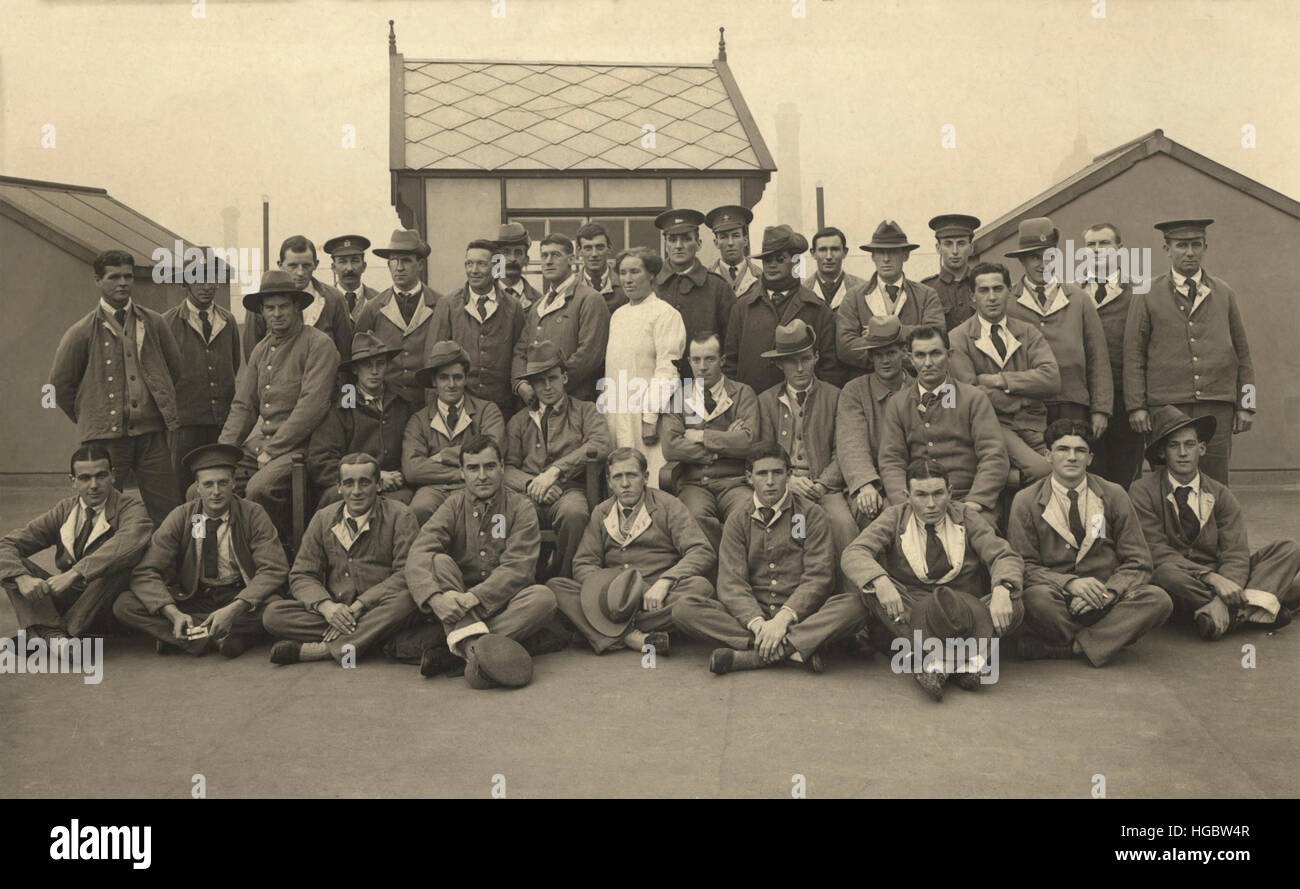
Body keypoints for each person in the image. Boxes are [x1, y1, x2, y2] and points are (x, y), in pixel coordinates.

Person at [674, 442, 865, 674]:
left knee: (856, 606)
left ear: (789, 474)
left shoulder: (810, 514)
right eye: (762, 474)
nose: (770, 481)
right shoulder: (737, 519)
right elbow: (731, 582)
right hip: (755, 615)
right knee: (684, 608)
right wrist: (758, 623)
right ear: (749, 477)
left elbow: (818, 577)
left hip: (800, 614)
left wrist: (784, 618)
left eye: (777, 472)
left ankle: (754, 657)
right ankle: (792, 648)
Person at [842, 458, 1023, 700]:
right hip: (914, 609)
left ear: (950, 492)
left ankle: (934, 663)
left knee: (1015, 601)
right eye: (921, 495)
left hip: (962, 610)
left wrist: (1002, 589)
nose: (930, 504)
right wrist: (880, 580)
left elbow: (1003, 554)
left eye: (938, 494)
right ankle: (967, 661)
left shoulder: (966, 516)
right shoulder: (894, 517)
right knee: (872, 589)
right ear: (907, 495)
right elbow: (855, 552)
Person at [395, 434, 560, 687]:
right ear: (462, 472)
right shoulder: (452, 505)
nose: (482, 476)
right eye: (473, 468)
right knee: (438, 562)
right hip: (455, 596)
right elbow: (419, 552)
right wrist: (434, 599)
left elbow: (518, 568)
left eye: (489, 466)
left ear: (502, 468)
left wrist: (473, 599)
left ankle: (454, 649)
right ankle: (481, 655)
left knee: (543, 599)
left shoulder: (521, 507)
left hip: (501, 601)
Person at [1008, 419, 1173, 666]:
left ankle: (1071, 647)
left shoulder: (1114, 494)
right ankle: (1108, 639)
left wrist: (1109, 592)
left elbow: (1139, 561)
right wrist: (1070, 584)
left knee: (1158, 599)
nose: (1072, 457)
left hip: (1107, 599)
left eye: (1080, 450)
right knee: (1035, 599)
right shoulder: (1026, 501)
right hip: (1059, 601)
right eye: (1063, 449)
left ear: (1090, 458)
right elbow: (1024, 566)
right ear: (1048, 456)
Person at [1130, 406, 1299, 639]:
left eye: (1189, 445)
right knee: (1165, 573)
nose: (1182, 453)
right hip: (1183, 582)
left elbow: (1235, 553)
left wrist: (1223, 591)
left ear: (1202, 448)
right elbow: (1155, 551)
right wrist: (1210, 578)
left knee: (1288, 548)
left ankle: (1222, 613)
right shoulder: (1142, 491)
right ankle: (1255, 606)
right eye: (1173, 446)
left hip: (1223, 577)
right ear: (1161, 453)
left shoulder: (1220, 494)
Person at [113, 443, 289, 658]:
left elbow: (274, 569)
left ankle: (185, 638)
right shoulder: (183, 516)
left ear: (234, 483)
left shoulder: (252, 514)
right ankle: (222, 638)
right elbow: (145, 571)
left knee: (275, 610)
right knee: (125, 605)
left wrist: (234, 609)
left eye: (223, 483)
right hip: (194, 597)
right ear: (197, 487)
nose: (216, 492)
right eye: (208, 484)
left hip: (240, 595)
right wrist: (173, 613)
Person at [48, 249, 183, 527]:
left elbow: (175, 370)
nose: (123, 283)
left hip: (152, 435)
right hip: (106, 440)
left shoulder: (154, 322)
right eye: (114, 277)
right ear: (98, 280)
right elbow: (61, 386)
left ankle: (169, 567)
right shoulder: (81, 331)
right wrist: (94, 415)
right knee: (102, 511)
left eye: (128, 276)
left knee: (168, 510)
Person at [1124, 218, 1255, 485]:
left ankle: (1212, 528)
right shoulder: (1146, 291)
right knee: (1166, 480)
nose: (1190, 252)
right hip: (1167, 405)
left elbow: (1243, 352)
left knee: (1215, 481)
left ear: (1205, 247)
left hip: (1216, 405)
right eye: (1181, 245)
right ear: (1166, 249)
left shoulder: (1224, 292)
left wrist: (1247, 404)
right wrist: (1136, 406)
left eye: (1196, 244)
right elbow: (1133, 354)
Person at [549, 448, 715, 655]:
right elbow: (584, 562)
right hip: (611, 598)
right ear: (609, 482)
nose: (625, 484)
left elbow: (701, 550)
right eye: (618, 477)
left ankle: (606, 632)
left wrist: (665, 582)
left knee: (700, 588)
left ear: (645, 477)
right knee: (556, 587)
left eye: (632, 475)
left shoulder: (668, 505)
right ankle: (633, 637)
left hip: (655, 597)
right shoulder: (602, 512)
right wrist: (607, 590)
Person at [263, 453, 421, 665]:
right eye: (349, 483)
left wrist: (361, 605)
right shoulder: (323, 518)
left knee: (408, 601)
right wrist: (327, 607)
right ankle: (371, 639)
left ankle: (327, 650)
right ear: (339, 487)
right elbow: (302, 574)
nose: (356, 492)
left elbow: (406, 574)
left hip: (379, 607)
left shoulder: (401, 516)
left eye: (364, 483)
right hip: (338, 612)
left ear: (379, 485)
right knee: (273, 615)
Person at [219, 270, 340, 535]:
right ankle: (227, 557)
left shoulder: (319, 344)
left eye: (284, 306)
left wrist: (273, 450)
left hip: (302, 447)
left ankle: (275, 558)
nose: (277, 314)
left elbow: (312, 406)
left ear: (297, 306)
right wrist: (221, 456)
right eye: (270, 308)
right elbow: (243, 406)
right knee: (207, 486)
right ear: (261, 311)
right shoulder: (262, 349)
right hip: (263, 448)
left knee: (259, 489)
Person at [0, 446, 153, 640]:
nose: (94, 485)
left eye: (101, 476)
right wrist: (22, 578)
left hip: (105, 606)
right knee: (13, 567)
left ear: (113, 476)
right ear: (73, 481)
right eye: (85, 478)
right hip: (68, 598)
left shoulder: (131, 508)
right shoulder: (64, 509)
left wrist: (75, 573)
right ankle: (55, 636)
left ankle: (49, 632)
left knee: (119, 565)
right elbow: (6, 545)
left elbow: (129, 542)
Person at [505, 341, 613, 579]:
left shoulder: (585, 411)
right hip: (528, 493)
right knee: (515, 513)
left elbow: (601, 443)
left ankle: (564, 579)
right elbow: (507, 468)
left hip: (568, 491)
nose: (546, 386)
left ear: (564, 378)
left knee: (574, 513)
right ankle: (525, 581)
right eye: (539, 381)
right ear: (531, 385)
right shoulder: (519, 421)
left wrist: (554, 472)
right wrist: (533, 484)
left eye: (552, 378)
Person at [876, 325, 1008, 515]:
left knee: (979, 538)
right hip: (916, 503)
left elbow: (993, 455)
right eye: (920, 355)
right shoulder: (898, 404)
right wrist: (906, 502)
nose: (928, 363)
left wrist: (976, 501)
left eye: (935, 354)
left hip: (966, 500)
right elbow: (891, 461)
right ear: (911, 359)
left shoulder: (972, 398)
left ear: (949, 355)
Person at [755, 320, 859, 559]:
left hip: (824, 488)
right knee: (791, 532)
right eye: (791, 361)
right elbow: (762, 453)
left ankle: (852, 592)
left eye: (805, 359)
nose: (800, 368)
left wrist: (822, 484)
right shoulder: (765, 401)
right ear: (780, 364)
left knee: (844, 525)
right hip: (780, 487)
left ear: (816, 357)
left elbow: (842, 451)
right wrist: (787, 481)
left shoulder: (836, 397)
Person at [948, 262, 1058, 484]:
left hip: (1034, 423)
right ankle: (1011, 479)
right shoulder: (958, 338)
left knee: (1065, 470)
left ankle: (1011, 480)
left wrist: (1000, 380)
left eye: (998, 289)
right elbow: (970, 394)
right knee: (1043, 471)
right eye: (983, 290)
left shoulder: (1027, 332)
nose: (992, 297)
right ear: (972, 297)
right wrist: (1024, 398)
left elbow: (1052, 379)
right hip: (992, 425)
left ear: (1009, 292)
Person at [1005, 217, 1112, 435]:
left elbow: (1098, 357)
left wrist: (1100, 409)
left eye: (1049, 256)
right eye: (1035, 257)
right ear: (1022, 261)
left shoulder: (1079, 299)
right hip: (1026, 406)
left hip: (1073, 404)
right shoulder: (1008, 302)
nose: (1043, 264)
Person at [660, 330, 759, 551]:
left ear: (722, 360)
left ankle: (736, 573)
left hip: (734, 481)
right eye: (696, 360)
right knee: (694, 517)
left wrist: (700, 436)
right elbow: (670, 446)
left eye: (710, 359)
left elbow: (748, 442)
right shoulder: (679, 397)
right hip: (696, 483)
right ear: (689, 361)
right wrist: (722, 446)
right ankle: (714, 573)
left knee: (747, 512)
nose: (702, 366)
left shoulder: (742, 394)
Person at [600, 247, 686, 488]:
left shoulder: (665, 314)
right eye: (623, 272)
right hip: (619, 412)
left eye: (635, 271)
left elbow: (668, 369)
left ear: (651, 275)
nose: (627, 279)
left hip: (648, 416)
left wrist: (650, 417)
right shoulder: (617, 315)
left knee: (649, 481)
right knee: (621, 480)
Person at [724, 225, 843, 392]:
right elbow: (730, 364)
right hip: (754, 405)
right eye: (767, 260)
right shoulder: (742, 308)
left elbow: (830, 369)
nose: (772, 265)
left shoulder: (817, 309)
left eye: (780, 259)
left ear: (795, 261)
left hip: (803, 407)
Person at [162, 252, 241, 495]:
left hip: (221, 423)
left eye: (212, 279)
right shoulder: (167, 323)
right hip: (185, 424)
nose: (207, 286)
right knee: (182, 486)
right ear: (185, 282)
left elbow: (234, 363)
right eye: (199, 278)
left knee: (218, 486)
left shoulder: (228, 321)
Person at [402, 341, 505, 524]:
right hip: (434, 488)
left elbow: (492, 449)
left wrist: (442, 456)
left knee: (488, 510)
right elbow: (412, 469)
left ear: (466, 379)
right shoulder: (419, 420)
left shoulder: (487, 411)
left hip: (477, 485)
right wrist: (462, 472)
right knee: (419, 509)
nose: (451, 384)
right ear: (434, 381)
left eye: (457, 377)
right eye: (444, 377)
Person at [307, 331, 412, 510]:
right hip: (351, 488)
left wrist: (399, 476)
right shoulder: (341, 407)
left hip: (394, 488)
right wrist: (373, 478)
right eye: (367, 365)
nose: (374, 371)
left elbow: (413, 450)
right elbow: (320, 462)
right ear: (355, 369)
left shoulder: (401, 403)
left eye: (380, 364)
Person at [428, 239, 524, 422]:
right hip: (459, 408)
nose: (473, 270)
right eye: (469, 263)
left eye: (481, 264)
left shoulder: (513, 307)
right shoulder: (448, 305)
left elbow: (519, 355)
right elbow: (433, 361)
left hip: (502, 408)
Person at [1080, 222, 1144, 487]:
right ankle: (1097, 529)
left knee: (1125, 476)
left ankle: (1123, 528)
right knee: (1090, 474)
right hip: (1085, 398)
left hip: (1125, 398)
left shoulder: (1139, 291)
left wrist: (1138, 402)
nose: (1097, 250)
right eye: (1091, 245)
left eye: (1104, 243)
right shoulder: (1072, 293)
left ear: (1120, 249)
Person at [511, 234, 610, 403]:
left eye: (556, 255)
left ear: (571, 259)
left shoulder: (590, 299)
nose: (548, 261)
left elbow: (589, 355)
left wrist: (550, 387)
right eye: (544, 255)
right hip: (536, 402)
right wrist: (520, 384)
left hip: (574, 401)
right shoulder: (538, 305)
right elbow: (521, 350)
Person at [836, 219, 945, 372]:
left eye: (893, 252)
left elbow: (936, 337)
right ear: (873, 256)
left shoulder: (926, 294)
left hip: (914, 382)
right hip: (869, 384)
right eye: (880, 252)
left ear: (905, 255)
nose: (886, 259)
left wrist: (894, 331)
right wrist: (899, 354)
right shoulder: (854, 297)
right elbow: (845, 347)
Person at [353, 229, 444, 411]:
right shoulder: (373, 307)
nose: (399, 267)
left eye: (406, 261)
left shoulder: (440, 304)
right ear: (388, 265)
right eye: (394, 261)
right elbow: (358, 357)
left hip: (428, 403)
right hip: (388, 405)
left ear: (420, 265)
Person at [835, 316, 909, 526]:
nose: (885, 361)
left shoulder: (917, 388)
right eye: (878, 355)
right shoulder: (855, 390)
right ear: (870, 357)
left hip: (912, 481)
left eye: (891, 353)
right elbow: (851, 443)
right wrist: (865, 484)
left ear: (904, 352)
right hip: (874, 480)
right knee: (869, 510)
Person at [245, 235, 354, 364]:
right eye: (293, 266)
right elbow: (252, 356)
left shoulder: (333, 298)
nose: (300, 272)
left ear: (316, 264)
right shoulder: (262, 300)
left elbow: (345, 353)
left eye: (306, 265)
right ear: (280, 265)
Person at [652, 208, 734, 377]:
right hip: (658, 383)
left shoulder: (717, 287)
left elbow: (732, 343)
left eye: (686, 239)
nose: (679, 246)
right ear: (665, 244)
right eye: (672, 239)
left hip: (703, 383)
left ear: (698, 244)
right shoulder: (652, 285)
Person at [921, 214, 981, 330]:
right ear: (938, 248)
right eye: (948, 244)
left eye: (961, 243)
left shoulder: (984, 284)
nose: (955, 251)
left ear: (971, 247)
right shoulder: (926, 290)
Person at [804, 226, 867, 312]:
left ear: (845, 252)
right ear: (813, 253)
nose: (829, 256)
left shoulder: (863, 290)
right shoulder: (802, 290)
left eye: (835, 249)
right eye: (823, 250)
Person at [706, 204, 761, 299]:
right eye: (724, 237)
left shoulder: (760, 276)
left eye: (735, 236)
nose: (730, 243)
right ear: (716, 243)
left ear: (745, 240)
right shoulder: (705, 278)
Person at [323, 234, 381, 322]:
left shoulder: (378, 300)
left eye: (355, 261)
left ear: (364, 266)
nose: (349, 268)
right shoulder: (323, 301)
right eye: (342, 262)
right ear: (333, 267)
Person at [576, 222, 626, 314]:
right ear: (579, 251)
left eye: (599, 247)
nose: (594, 254)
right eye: (588, 248)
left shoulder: (625, 285)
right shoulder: (570, 288)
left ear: (609, 249)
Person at [494, 222, 543, 311]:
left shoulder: (539, 301)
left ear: (526, 260)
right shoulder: (482, 295)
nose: (512, 258)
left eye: (518, 253)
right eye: (506, 252)